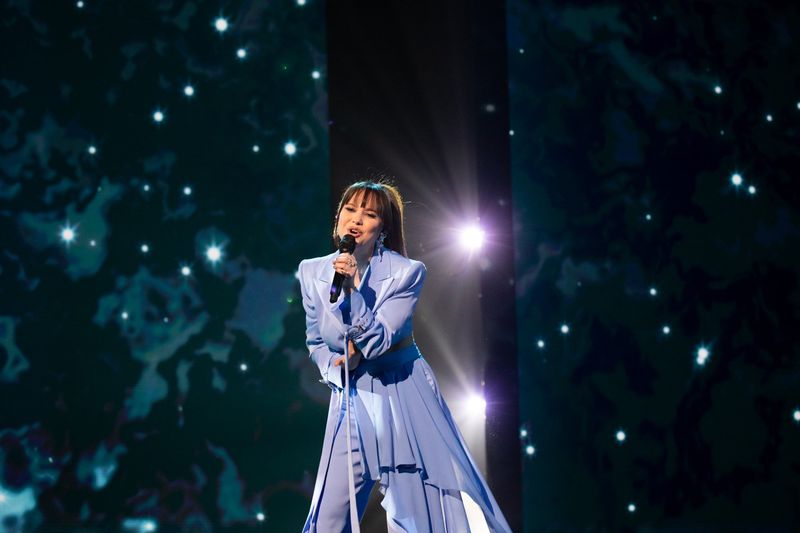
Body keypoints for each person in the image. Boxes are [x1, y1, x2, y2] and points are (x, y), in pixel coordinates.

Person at [298, 180, 511, 532]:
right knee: (328, 516)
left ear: (383, 229)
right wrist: (337, 370)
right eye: (349, 210)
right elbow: (316, 342)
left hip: (402, 395)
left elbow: (379, 340)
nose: (356, 221)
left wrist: (353, 290)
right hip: (350, 398)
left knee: (412, 516)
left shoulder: (406, 273)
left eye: (368, 215)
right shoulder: (312, 271)